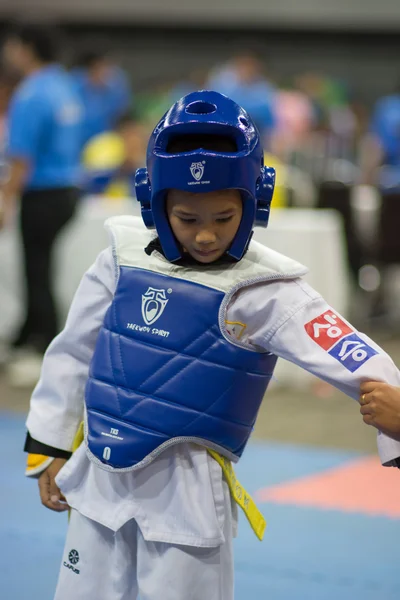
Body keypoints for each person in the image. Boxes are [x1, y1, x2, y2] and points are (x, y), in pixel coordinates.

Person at [25, 91, 400, 600]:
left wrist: (394, 400)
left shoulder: (265, 290)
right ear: (155, 203)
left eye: (223, 218)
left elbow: (347, 350)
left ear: (254, 201)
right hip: (98, 476)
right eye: (188, 218)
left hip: (185, 493)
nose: (206, 236)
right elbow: (73, 352)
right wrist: (49, 447)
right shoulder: (120, 257)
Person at [1, 24, 83, 385]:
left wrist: (4, 199)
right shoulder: (65, 87)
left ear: (26, 48)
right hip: (68, 190)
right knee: (41, 267)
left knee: (36, 270)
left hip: (43, 192)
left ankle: (41, 344)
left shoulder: (31, 93)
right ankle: (28, 334)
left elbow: (21, 157)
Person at [71, 50, 132, 147]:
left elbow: (123, 116)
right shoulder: (74, 87)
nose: (107, 73)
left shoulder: (115, 85)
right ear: (93, 67)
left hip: (105, 145)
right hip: (78, 144)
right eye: (103, 68)